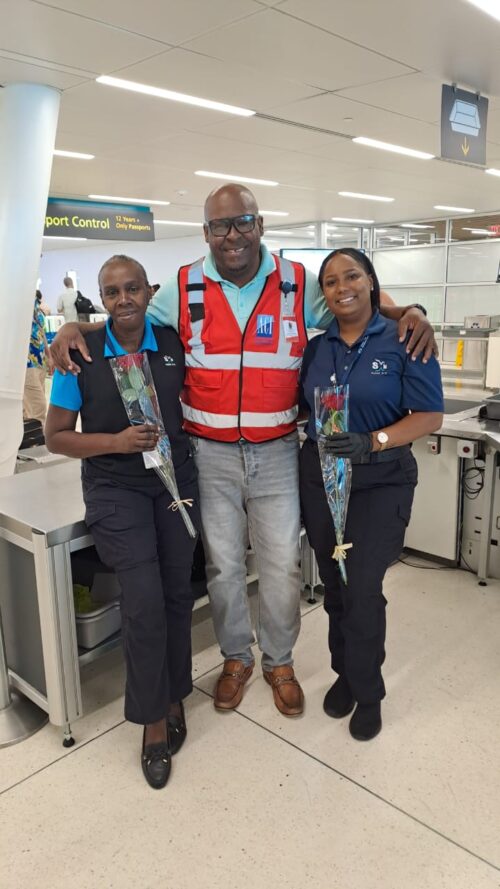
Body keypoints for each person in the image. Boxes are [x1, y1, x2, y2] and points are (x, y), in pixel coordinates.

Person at [49, 184, 435, 718]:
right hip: (208, 453)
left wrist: (406, 312)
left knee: (280, 565)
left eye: (242, 223)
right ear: (206, 232)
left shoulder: (298, 282)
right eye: (218, 226)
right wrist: (76, 326)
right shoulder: (183, 285)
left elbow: (357, 304)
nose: (231, 236)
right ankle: (236, 658)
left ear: (260, 224)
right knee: (224, 566)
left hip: (277, 449)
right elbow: (125, 314)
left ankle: (278, 661)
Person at [45, 255, 200, 789]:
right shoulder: (79, 356)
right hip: (115, 488)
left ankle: (176, 691)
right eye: (112, 292)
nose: (123, 299)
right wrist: (114, 443)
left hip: (174, 484)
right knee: (144, 601)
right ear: (101, 298)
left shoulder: (171, 343)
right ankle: (153, 722)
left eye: (133, 288)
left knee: (178, 593)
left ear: (148, 290)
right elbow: (56, 436)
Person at [299, 248, 443, 741]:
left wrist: (374, 440)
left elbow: (429, 416)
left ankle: (369, 690)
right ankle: (345, 671)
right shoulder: (317, 349)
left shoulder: (404, 338)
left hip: (381, 480)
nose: (343, 288)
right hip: (323, 481)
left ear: (372, 281)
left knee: (362, 588)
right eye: (331, 281)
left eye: (353, 276)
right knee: (335, 588)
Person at [23, 292, 53, 428]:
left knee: (28, 409)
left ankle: (29, 444)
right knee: (38, 407)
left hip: (39, 359)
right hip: (25, 362)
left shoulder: (34, 301)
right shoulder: (13, 299)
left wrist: (49, 355)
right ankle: (40, 443)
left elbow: (40, 331)